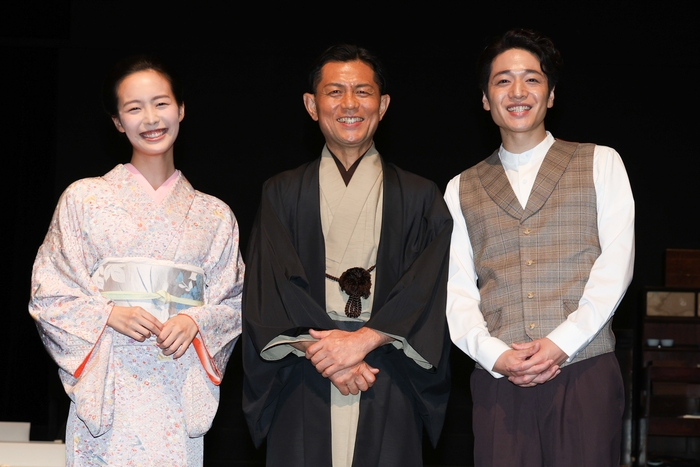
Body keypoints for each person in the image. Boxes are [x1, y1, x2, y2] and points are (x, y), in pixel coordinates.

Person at [242, 44, 453, 467]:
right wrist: (328, 356)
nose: (350, 104)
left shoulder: (420, 196)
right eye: (335, 92)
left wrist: (364, 340)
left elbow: (428, 288)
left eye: (363, 91)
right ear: (311, 105)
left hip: (386, 367)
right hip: (305, 367)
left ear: (383, 104)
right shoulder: (280, 193)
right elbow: (270, 286)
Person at [29, 56, 244, 466]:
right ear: (117, 121)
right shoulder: (84, 199)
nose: (150, 118)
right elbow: (49, 293)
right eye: (133, 108)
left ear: (181, 109)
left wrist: (196, 321)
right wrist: (108, 314)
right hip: (108, 386)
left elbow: (235, 302)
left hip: (177, 384)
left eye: (161, 103)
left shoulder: (215, 215)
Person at [445, 29, 635, 466]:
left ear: (550, 95)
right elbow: (456, 291)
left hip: (584, 369)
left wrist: (561, 343)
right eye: (503, 80)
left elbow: (616, 266)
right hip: (498, 381)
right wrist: (495, 356)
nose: (517, 92)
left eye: (531, 79)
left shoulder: (600, 162)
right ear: (485, 99)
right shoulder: (460, 187)